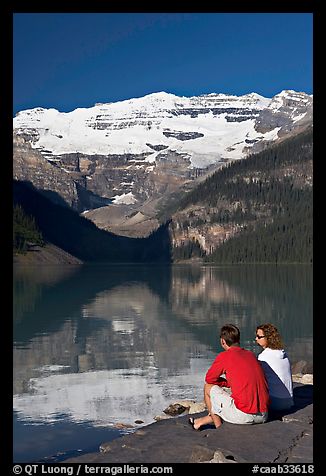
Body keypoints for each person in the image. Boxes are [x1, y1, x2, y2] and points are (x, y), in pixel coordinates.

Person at [189, 323, 269, 431]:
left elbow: (209, 379)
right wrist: (228, 383)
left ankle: (219, 429)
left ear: (223, 341)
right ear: (238, 340)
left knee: (208, 387)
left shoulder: (225, 356)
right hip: (264, 415)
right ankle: (200, 422)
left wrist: (224, 383)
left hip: (244, 416)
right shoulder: (250, 354)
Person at [255, 323, 294, 411]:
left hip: (275, 403)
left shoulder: (264, 356)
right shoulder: (282, 352)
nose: (256, 339)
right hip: (289, 400)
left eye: (259, 336)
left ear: (268, 338)